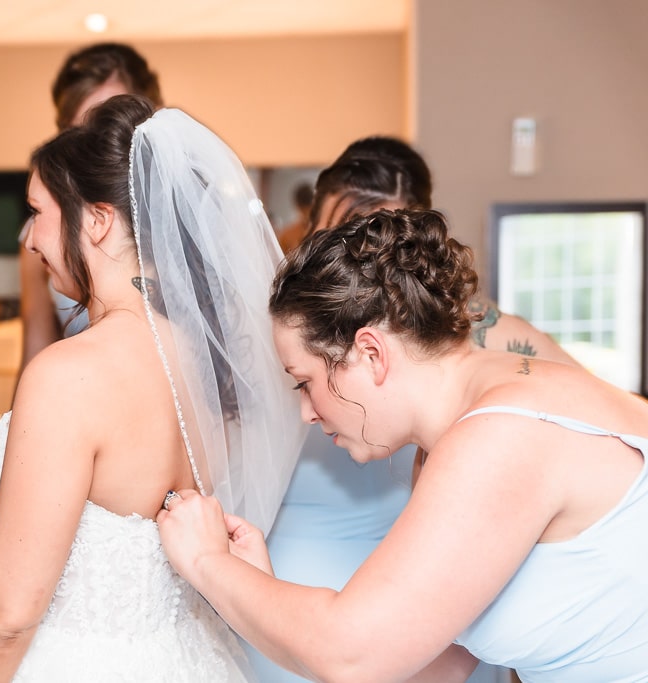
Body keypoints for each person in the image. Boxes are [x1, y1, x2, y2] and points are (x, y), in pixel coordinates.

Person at [160, 208, 648, 682]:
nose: (307, 413)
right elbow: (435, 660)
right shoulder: (449, 441)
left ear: (370, 353)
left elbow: (350, 654)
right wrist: (258, 591)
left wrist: (208, 562)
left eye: (304, 381)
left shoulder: (500, 435)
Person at [0, 95, 305, 681]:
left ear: (96, 220)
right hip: (189, 658)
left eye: (38, 211)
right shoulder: (211, 363)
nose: (29, 237)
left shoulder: (69, 375)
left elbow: (7, 615)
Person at [247, 137, 577, 683]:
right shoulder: (282, 333)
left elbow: (593, 425)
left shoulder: (484, 336)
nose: (369, 276)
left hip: (439, 598)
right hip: (302, 597)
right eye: (347, 241)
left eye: (383, 246)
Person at [19, 42, 164, 370]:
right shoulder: (40, 237)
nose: (97, 140)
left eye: (108, 121)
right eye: (81, 129)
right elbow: (36, 347)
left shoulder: (183, 224)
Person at [276, 182, 315, 254]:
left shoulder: (324, 231)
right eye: (304, 210)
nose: (307, 214)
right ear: (298, 207)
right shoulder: (287, 234)